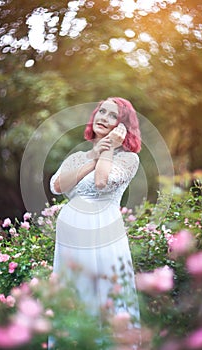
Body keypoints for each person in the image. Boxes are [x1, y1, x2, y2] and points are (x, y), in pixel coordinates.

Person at [49, 97, 141, 347]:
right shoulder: (79, 156)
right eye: (102, 111)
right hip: (70, 234)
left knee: (103, 292)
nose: (103, 117)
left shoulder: (128, 159)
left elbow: (101, 182)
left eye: (113, 115)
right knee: (74, 291)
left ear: (123, 126)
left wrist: (109, 148)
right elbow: (57, 186)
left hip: (102, 231)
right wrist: (92, 156)